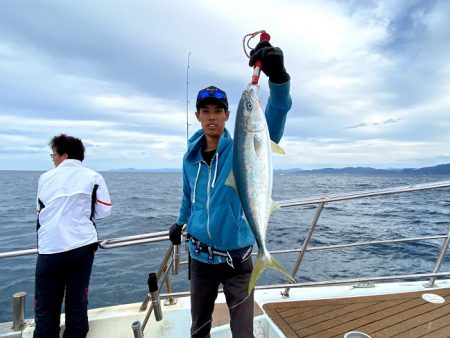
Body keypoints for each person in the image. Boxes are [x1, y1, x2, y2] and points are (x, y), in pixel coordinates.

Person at [169, 40, 292, 337]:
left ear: (227, 116)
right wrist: (180, 221)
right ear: (197, 116)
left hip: (238, 259)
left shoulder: (242, 148)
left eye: (218, 110)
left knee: (243, 333)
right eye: (205, 110)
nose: (212, 116)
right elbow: (189, 197)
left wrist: (279, 78)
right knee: (198, 328)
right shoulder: (190, 158)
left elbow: (277, 112)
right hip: (200, 259)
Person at [34, 134, 112, 338]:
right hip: (81, 246)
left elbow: (40, 212)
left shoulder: (45, 178)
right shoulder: (93, 177)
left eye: (54, 154)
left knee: (45, 305)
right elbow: (104, 211)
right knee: (77, 301)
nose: (53, 158)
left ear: (64, 155)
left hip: (49, 248)